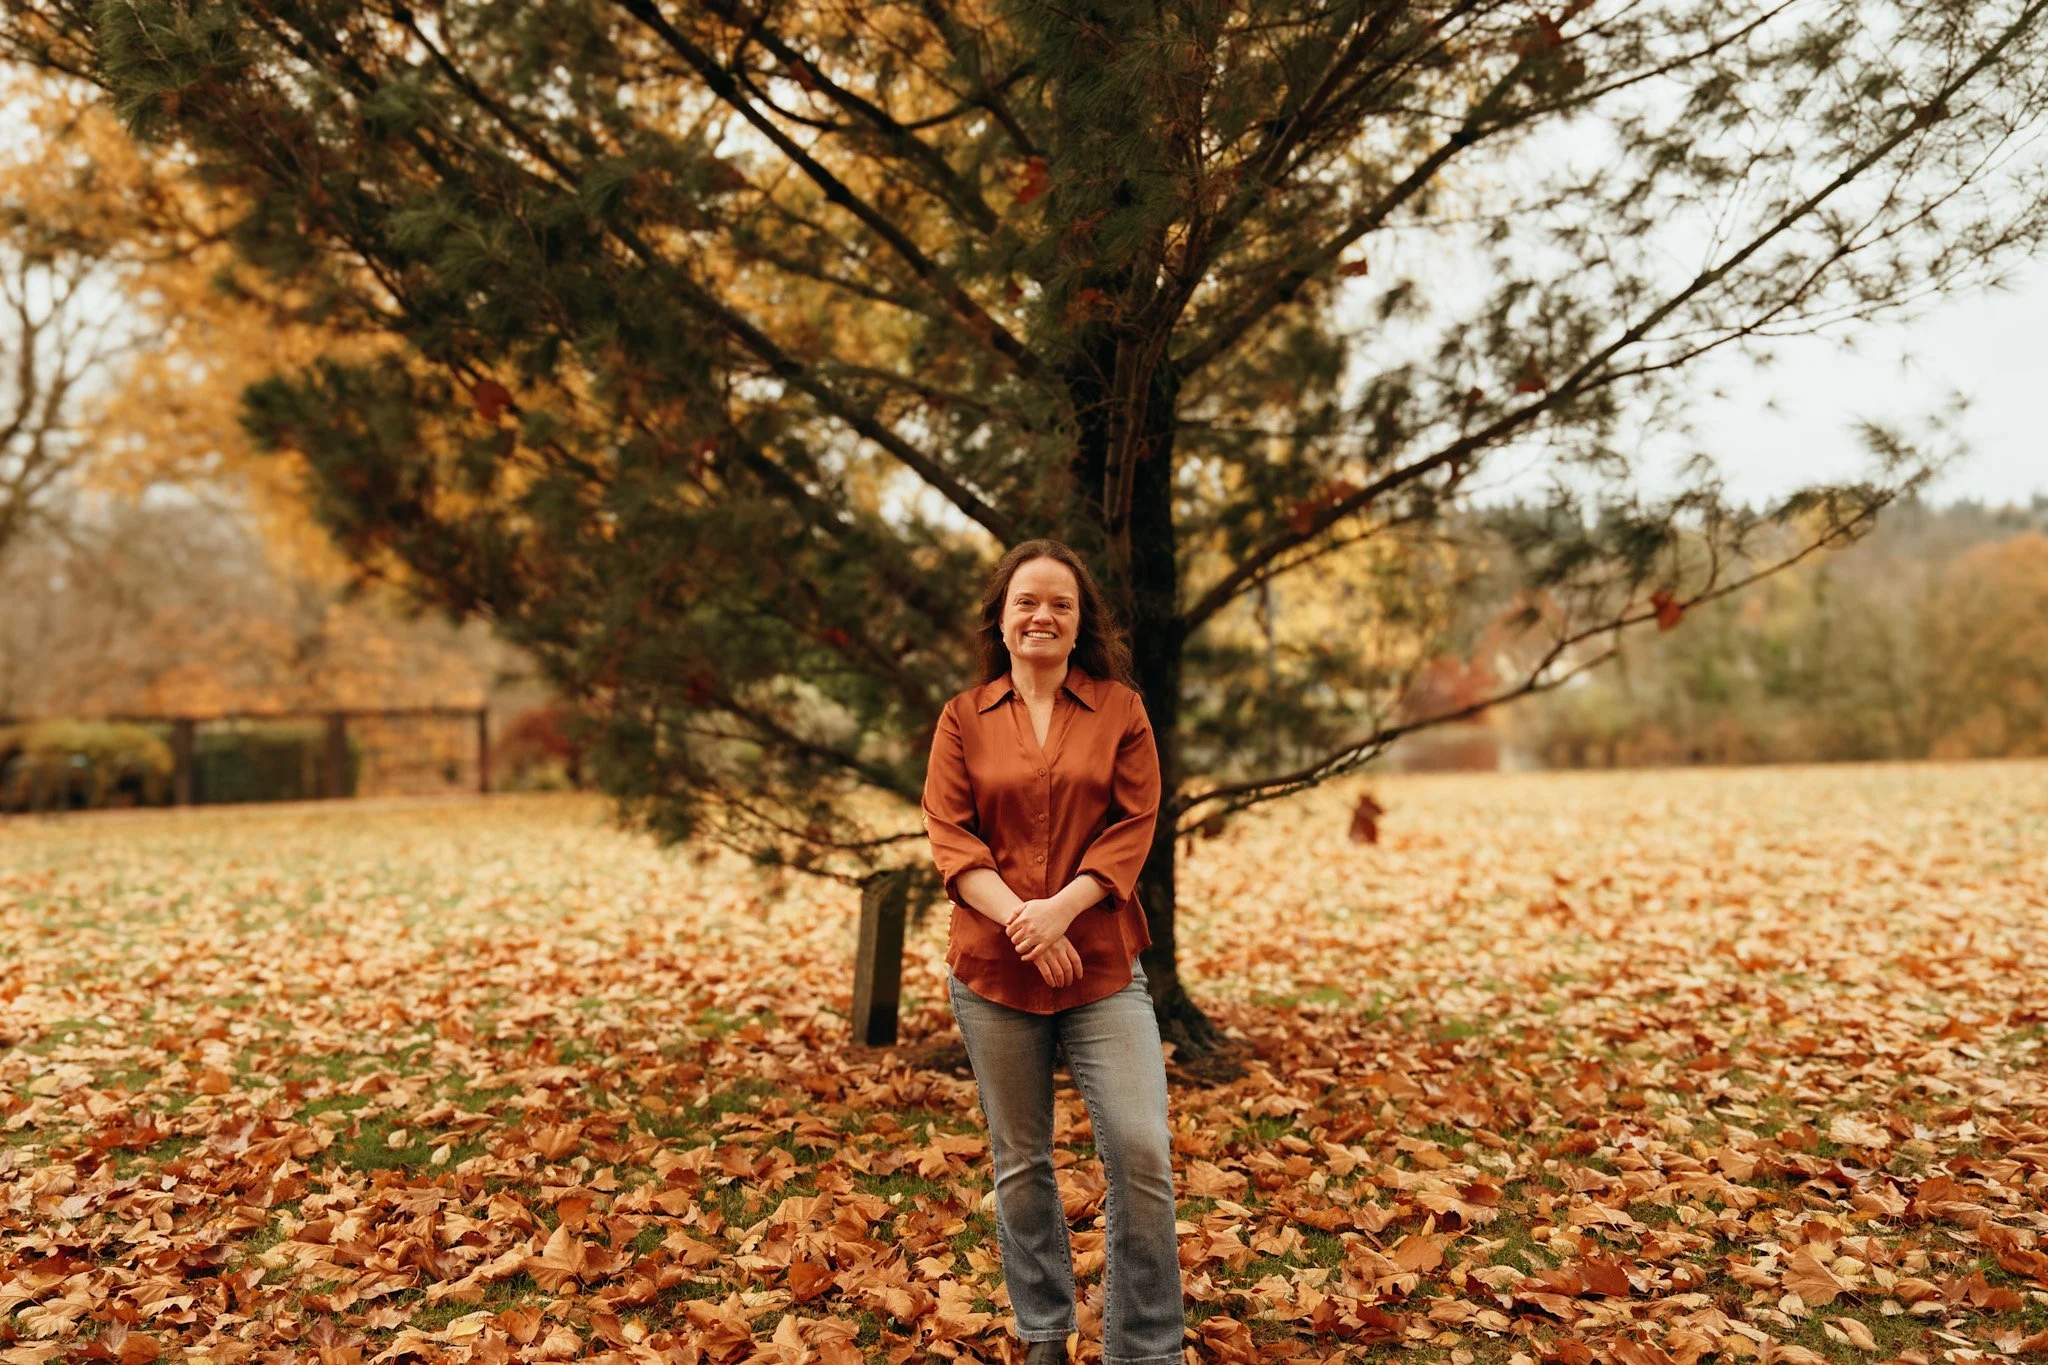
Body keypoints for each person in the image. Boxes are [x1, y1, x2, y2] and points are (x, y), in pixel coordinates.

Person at [920, 539, 1186, 1365]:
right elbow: (949, 834)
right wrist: (1023, 923)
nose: (1042, 615)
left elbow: (1134, 823)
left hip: (1103, 966)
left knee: (1140, 1146)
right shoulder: (963, 717)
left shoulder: (1121, 711)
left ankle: (1145, 1347)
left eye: (1060, 605)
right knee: (1020, 1160)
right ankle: (1044, 1329)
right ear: (1001, 619)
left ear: (1080, 625)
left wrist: (1063, 910)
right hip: (995, 971)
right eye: (1026, 602)